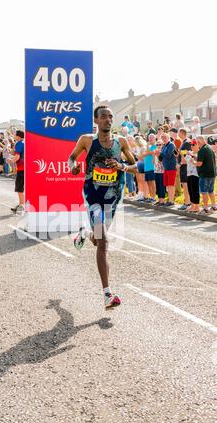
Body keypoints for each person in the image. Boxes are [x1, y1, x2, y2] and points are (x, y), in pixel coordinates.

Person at [68, 106, 137, 309]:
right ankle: (107, 294)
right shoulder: (87, 140)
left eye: (110, 116)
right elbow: (72, 157)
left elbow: (136, 166)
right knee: (104, 241)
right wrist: (72, 165)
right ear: (96, 121)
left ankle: (84, 233)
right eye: (104, 117)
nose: (108, 119)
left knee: (98, 240)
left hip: (113, 198)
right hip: (93, 197)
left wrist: (122, 166)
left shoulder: (121, 142)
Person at [193, 136, 216, 214]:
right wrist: (194, 157)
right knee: (211, 191)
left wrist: (192, 162)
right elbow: (205, 159)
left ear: (199, 142)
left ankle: (205, 208)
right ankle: (214, 206)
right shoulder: (209, 148)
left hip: (204, 174)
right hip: (212, 173)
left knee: (204, 192)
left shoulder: (202, 150)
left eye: (197, 142)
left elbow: (199, 163)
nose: (197, 144)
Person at [7, 130, 25, 214]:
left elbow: (17, 157)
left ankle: (21, 205)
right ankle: (22, 204)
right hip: (28, 168)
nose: (14, 136)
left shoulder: (19, 143)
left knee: (19, 188)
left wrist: (11, 161)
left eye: (15, 134)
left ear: (18, 136)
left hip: (21, 168)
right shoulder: (25, 142)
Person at [157, 133, 177, 206]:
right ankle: (169, 199)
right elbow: (160, 158)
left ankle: (171, 201)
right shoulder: (163, 146)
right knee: (168, 185)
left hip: (171, 167)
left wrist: (161, 153)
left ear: (168, 138)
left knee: (171, 185)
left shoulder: (171, 145)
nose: (163, 139)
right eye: (162, 138)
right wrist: (158, 154)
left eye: (165, 137)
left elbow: (168, 155)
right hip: (165, 168)